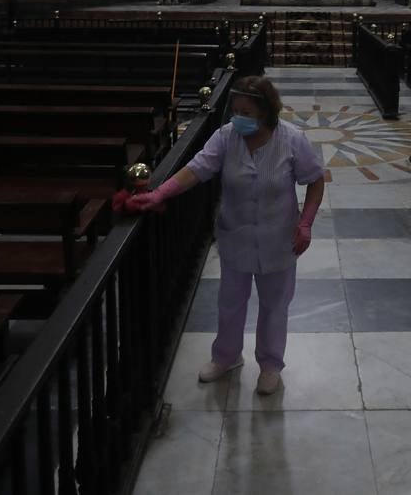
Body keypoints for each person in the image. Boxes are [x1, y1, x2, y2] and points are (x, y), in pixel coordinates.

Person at [126, 75, 324, 395]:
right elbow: (198, 167)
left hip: (279, 238)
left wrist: (306, 223)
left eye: (247, 112)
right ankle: (227, 356)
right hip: (237, 235)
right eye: (236, 110)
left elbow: (315, 180)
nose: (239, 118)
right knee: (230, 302)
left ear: (266, 112)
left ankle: (271, 364)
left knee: (275, 306)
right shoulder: (226, 137)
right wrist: (160, 192)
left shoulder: (291, 140)